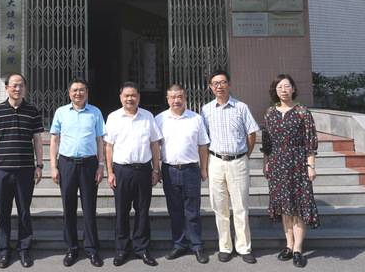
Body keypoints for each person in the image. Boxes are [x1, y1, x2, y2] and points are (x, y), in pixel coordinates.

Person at [201, 70, 259, 264]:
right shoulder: (206, 110)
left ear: (229, 84)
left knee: (241, 207)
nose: (219, 86)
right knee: (220, 208)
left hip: (238, 162)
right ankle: (225, 247)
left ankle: (244, 247)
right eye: (215, 83)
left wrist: (244, 156)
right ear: (211, 87)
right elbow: (204, 139)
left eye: (223, 82)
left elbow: (251, 134)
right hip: (216, 162)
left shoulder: (241, 107)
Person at [262, 74, 320, 268]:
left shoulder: (303, 112)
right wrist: (266, 163)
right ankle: (288, 245)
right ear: (275, 90)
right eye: (279, 87)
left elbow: (310, 140)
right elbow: (266, 143)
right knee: (284, 207)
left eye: (287, 86)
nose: (283, 90)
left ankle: (298, 249)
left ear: (293, 89)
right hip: (277, 164)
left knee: (299, 206)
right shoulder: (270, 113)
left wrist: (310, 165)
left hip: (298, 164)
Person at [0, 73, 44, 269]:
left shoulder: (33, 111)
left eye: (21, 85)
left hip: (25, 170)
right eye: (14, 85)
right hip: (2, 170)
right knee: (3, 213)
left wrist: (39, 165)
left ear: (25, 88)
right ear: (6, 88)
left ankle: (24, 250)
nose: (17, 89)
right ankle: (4, 251)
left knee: (24, 212)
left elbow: (38, 139)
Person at [104, 81, 162, 267]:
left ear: (139, 97)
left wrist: (156, 169)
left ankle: (141, 248)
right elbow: (109, 147)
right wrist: (110, 172)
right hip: (122, 171)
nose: (130, 98)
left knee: (142, 210)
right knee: (121, 211)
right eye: (126, 95)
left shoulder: (148, 116)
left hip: (144, 170)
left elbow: (154, 144)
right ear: (120, 98)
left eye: (133, 95)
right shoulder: (113, 117)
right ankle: (122, 249)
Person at [50, 78, 106, 268]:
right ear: (69, 92)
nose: (78, 93)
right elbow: (54, 140)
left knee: (89, 208)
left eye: (82, 90)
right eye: (74, 90)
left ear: (87, 92)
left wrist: (101, 165)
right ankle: (72, 248)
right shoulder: (61, 112)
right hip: (66, 164)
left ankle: (91, 249)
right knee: (69, 208)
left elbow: (100, 141)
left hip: (89, 164)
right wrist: (53, 166)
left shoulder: (95, 112)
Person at [155, 84, 210, 265]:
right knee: (175, 211)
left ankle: (197, 245)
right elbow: (154, 146)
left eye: (179, 97)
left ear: (185, 98)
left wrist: (204, 168)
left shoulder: (196, 118)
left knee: (193, 211)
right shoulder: (160, 119)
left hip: (191, 171)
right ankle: (179, 244)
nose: (176, 100)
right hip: (169, 171)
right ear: (167, 99)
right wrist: (156, 169)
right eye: (172, 97)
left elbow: (203, 145)